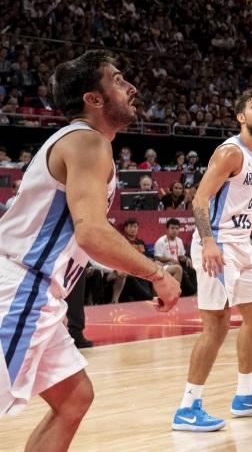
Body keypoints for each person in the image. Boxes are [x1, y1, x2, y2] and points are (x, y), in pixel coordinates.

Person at [0, 51, 180, 450]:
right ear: (93, 99)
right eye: (117, 80)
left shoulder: (86, 144)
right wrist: (157, 273)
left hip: (37, 290)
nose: (130, 86)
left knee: (74, 398)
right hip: (19, 288)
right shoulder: (86, 140)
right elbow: (92, 233)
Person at [174, 89, 252, 432]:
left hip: (242, 244)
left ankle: (246, 394)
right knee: (217, 325)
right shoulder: (229, 152)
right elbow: (200, 200)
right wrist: (207, 241)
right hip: (217, 243)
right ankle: (188, 406)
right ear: (241, 117)